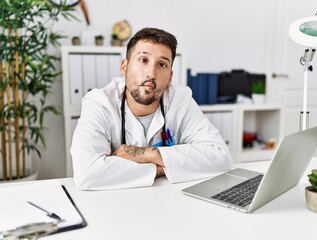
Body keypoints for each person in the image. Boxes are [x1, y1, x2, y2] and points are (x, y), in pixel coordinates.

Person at [70, 27, 233, 190]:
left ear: (170, 77)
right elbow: (87, 173)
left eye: (162, 64)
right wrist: (162, 168)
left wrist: (149, 154)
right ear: (124, 67)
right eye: (143, 60)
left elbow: (221, 157)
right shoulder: (99, 103)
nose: (151, 73)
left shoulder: (181, 100)